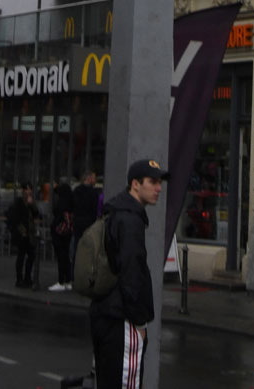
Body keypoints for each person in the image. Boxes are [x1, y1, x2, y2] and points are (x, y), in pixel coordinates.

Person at [90, 157, 170, 389]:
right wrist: (138, 322)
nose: (158, 188)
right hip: (122, 320)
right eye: (152, 182)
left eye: (159, 182)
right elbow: (131, 273)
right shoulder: (130, 220)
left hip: (105, 312)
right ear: (135, 184)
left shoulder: (115, 212)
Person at [7, 181, 42, 288]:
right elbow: (15, 218)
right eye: (27, 189)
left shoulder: (31, 202)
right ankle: (19, 279)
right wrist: (21, 231)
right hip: (21, 233)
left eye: (30, 189)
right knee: (21, 256)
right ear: (23, 190)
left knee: (31, 255)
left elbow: (37, 215)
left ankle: (27, 278)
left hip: (30, 233)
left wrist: (32, 205)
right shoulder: (18, 202)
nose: (29, 191)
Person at [49, 180, 74, 292]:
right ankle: (68, 280)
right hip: (68, 232)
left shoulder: (61, 203)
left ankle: (61, 281)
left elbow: (57, 215)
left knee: (61, 257)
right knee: (66, 256)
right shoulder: (70, 203)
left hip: (59, 232)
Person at [72, 170, 101, 266]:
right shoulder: (93, 193)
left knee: (77, 247)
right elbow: (94, 209)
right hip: (89, 223)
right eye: (93, 178)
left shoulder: (77, 191)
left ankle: (74, 272)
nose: (95, 180)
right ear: (88, 178)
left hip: (78, 222)